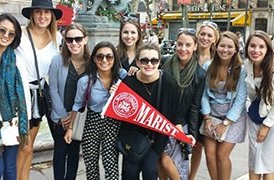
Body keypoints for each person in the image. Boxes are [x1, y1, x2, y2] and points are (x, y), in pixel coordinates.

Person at [113, 43, 195, 180]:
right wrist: (115, 97)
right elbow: (121, 113)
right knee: (130, 172)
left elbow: (177, 114)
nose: (149, 64)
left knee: (150, 171)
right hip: (133, 137)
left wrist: (182, 136)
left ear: (159, 62)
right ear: (137, 62)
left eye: (154, 60)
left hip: (156, 139)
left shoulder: (168, 82)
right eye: (144, 60)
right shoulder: (128, 83)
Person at [64, 41, 127, 180]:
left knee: (110, 163)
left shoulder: (122, 76)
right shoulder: (85, 81)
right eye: (100, 56)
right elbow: (77, 105)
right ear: (94, 59)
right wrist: (70, 128)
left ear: (115, 58)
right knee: (91, 164)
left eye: (109, 56)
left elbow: (131, 98)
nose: (104, 60)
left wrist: (118, 93)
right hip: (91, 121)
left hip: (113, 122)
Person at [14, 0, 63, 179]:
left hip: (39, 96)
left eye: (47, 12)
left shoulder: (56, 38)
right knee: (23, 146)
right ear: (32, 15)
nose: (43, 16)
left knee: (29, 146)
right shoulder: (20, 33)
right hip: (20, 95)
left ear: (52, 16)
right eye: (38, 12)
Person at [0, 13, 31, 180]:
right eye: (3, 30)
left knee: (10, 169)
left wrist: (26, 125)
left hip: (11, 125)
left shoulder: (17, 61)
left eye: (11, 33)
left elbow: (24, 95)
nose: (6, 36)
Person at [159, 28, 206, 180]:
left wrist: (190, 134)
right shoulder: (164, 62)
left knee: (170, 163)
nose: (183, 49)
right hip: (159, 121)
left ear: (195, 46)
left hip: (181, 124)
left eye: (188, 45)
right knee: (159, 162)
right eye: (180, 44)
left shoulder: (199, 73)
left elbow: (194, 106)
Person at [201, 31, 247, 180]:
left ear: (235, 49)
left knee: (221, 155)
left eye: (229, 47)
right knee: (209, 154)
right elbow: (203, 94)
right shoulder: (208, 66)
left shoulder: (241, 69)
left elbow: (240, 100)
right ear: (216, 46)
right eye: (222, 46)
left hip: (233, 118)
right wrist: (207, 118)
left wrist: (226, 123)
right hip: (212, 116)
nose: (225, 50)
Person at [48, 23, 90, 180]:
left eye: (78, 39)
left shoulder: (92, 63)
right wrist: (62, 115)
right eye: (69, 39)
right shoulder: (58, 60)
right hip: (60, 116)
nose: (74, 43)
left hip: (79, 117)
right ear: (65, 41)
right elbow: (52, 89)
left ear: (85, 40)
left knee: (73, 153)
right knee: (59, 152)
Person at [189, 21, 219, 180]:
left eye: (209, 35)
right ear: (198, 35)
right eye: (203, 34)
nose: (205, 38)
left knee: (198, 147)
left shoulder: (217, 59)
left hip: (207, 109)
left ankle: (191, 177)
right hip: (188, 105)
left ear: (215, 39)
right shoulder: (188, 54)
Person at [244, 30, 274, 180]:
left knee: (268, 164)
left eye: (261, 47)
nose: (256, 50)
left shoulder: (272, 69)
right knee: (254, 160)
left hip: (271, 121)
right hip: (255, 117)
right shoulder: (247, 65)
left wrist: (267, 125)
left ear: (267, 49)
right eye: (252, 46)